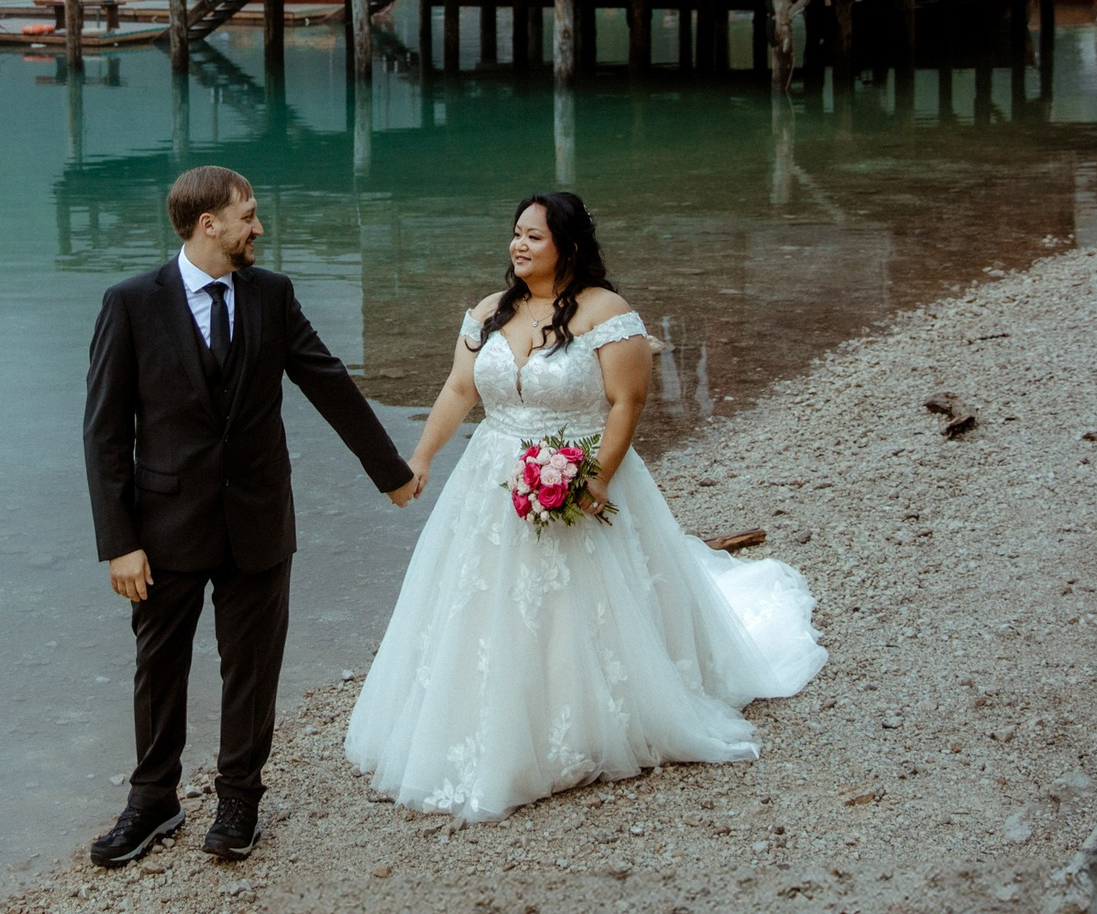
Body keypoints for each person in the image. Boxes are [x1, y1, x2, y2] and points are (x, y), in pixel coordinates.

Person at [344, 191, 826, 822]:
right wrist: (423, 458)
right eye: (515, 233)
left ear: (567, 246)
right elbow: (461, 388)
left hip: (579, 471)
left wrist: (594, 480)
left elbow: (627, 403)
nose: (518, 245)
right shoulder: (490, 311)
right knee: (480, 601)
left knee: (582, 605)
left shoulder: (607, 312)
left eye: (533, 237)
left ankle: (590, 721)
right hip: (490, 477)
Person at [82, 165, 422, 867]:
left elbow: (327, 379)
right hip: (165, 526)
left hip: (260, 519)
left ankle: (240, 795)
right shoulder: (129, 303)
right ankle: (153, 799)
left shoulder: (272, 294)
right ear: (209, 223)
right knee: (159, 665)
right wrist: (119, 542)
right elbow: (106, 432)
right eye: (248, 214)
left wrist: (390, 472)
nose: (258, 227)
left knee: (253, 666)